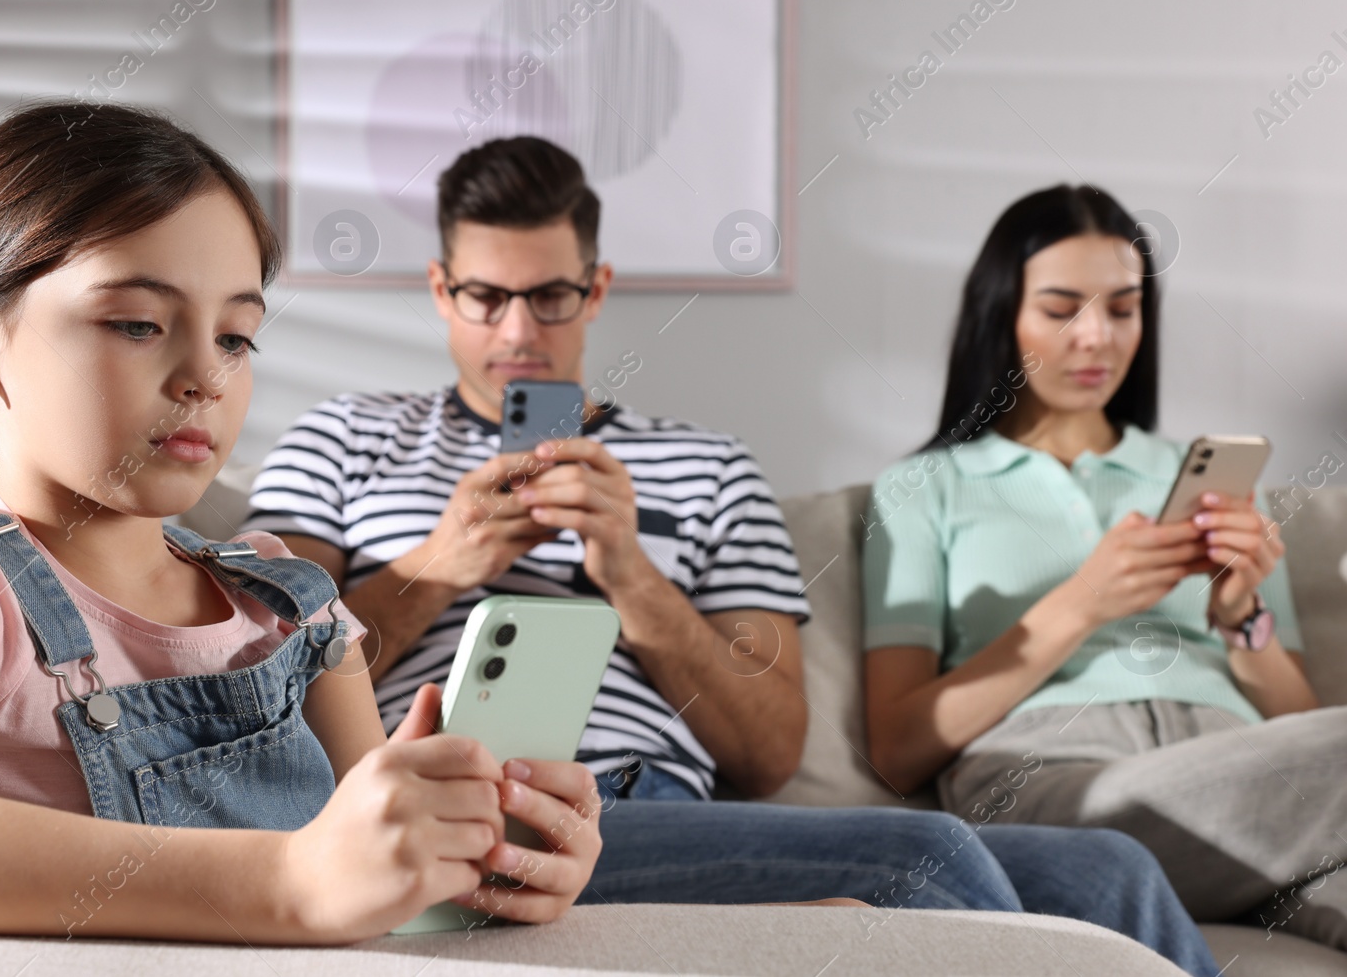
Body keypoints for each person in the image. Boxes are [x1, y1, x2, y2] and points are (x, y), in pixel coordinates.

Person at [243, 138, 1220, 973]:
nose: (517, 333)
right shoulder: (343, 438)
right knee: (923, 855)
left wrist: (630, 575)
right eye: (485, 296)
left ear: (596, 289)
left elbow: (767, 752)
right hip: (428, 795)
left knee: (1110, 868)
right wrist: (438, 563)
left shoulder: (708, 467)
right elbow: (261, 681)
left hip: (648, 805)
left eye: (548, 296)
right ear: (439, 289)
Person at [0, 101, 604, 944]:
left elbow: (387, 896)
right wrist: (288, 882)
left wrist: (477, 868)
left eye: (237, 337)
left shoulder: (291, 602)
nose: (206, 373)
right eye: (137, 323)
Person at [862, 182, 1347, 950]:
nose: (1097, 337)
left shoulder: (1199, 475)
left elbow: (1299, 725)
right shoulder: (925, 488)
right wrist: (1081, 604)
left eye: (1123, 309)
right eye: (1061, 310)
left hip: (1246, 767)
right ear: (1002, 313)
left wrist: (1240, 620)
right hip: (1059, 772)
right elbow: (897, 748)